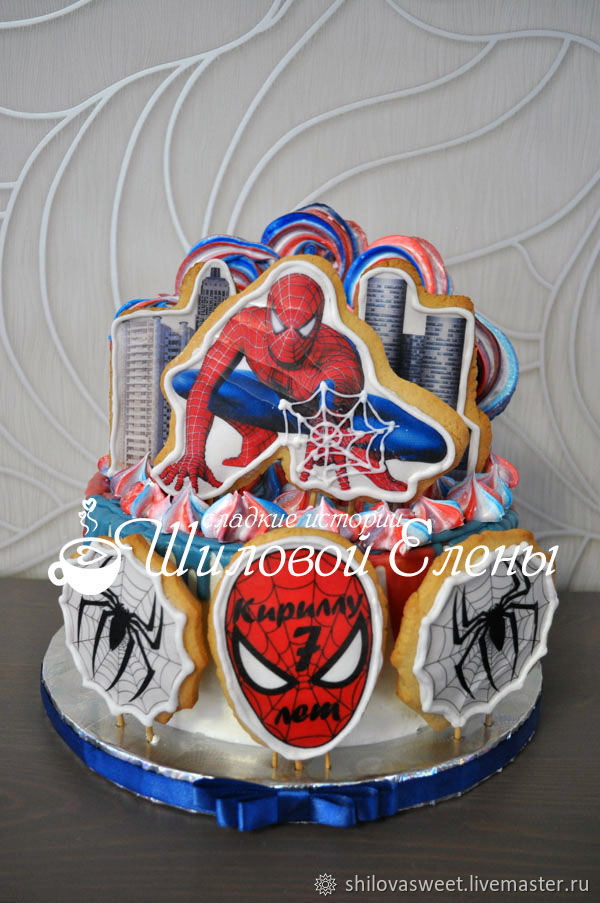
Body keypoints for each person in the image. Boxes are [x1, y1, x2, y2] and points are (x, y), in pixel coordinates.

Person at [160, 272, 447, 493]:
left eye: (303, 327)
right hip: (275, 403)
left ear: (318, 321)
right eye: (281, 324)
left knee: (434, 445)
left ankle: (353, 447)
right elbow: (204, 384)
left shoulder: (338, 352)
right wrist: (193, 453)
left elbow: (335, 399)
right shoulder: (244, 326)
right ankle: (256, 436)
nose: (290, 339)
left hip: (342, 419)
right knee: (186, 380)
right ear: (270, 310)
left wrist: (351, 449)